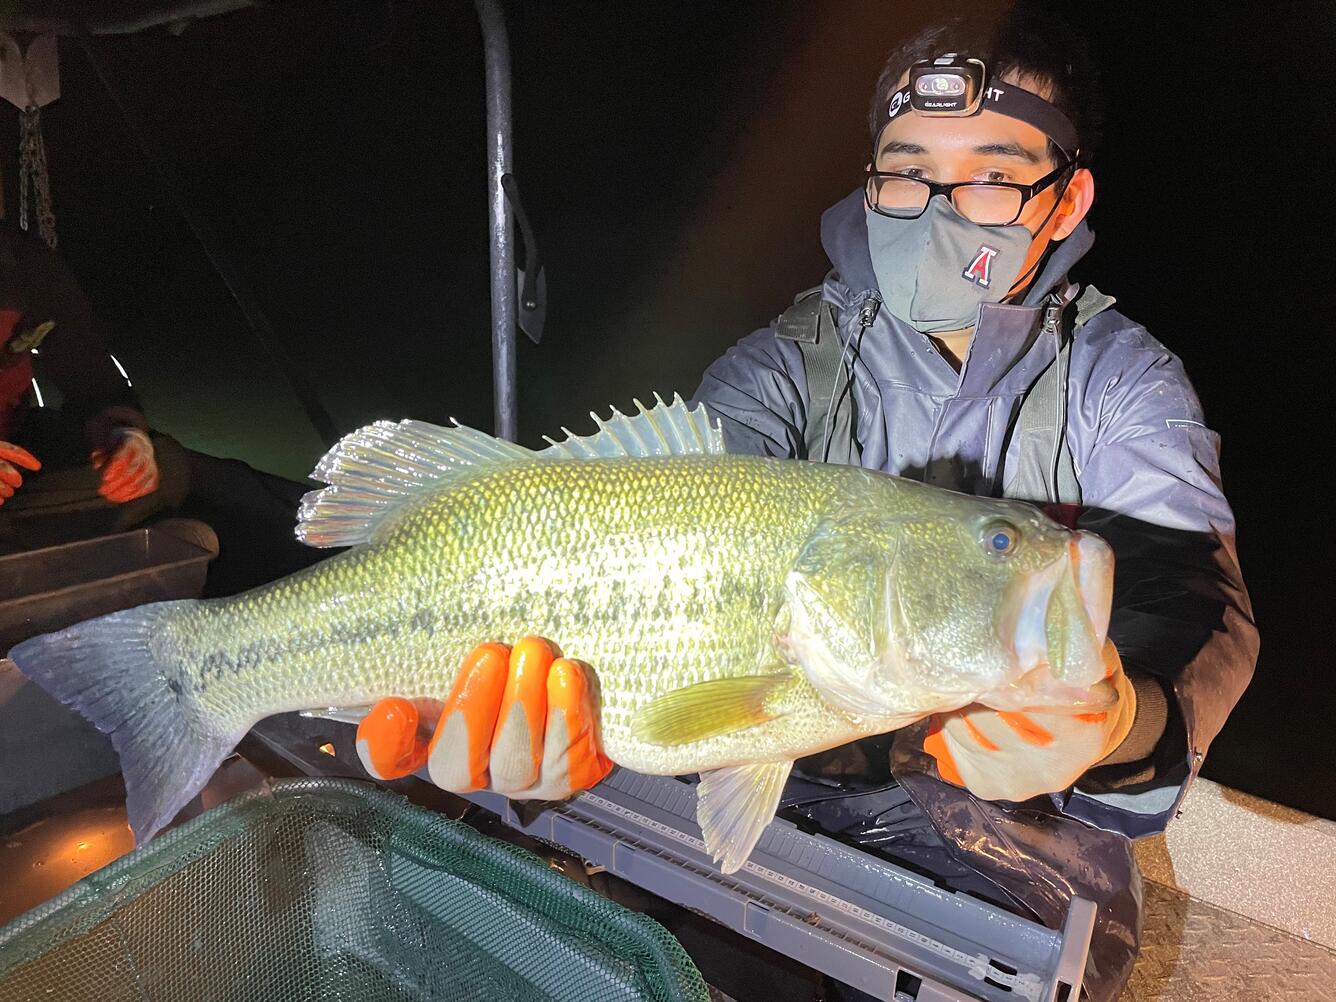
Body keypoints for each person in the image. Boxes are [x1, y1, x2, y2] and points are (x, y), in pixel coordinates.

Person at [354, 11, 1257, 998]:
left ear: (1062, 198)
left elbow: (1191, 601)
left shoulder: (1123, 384)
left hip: (988, 820)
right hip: (768, 766)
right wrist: (573, 718)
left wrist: (1122, 721)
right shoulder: (789, 359)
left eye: (993, 177)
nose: (938, 215)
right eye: (907, 172)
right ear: (871, 184)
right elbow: (676, 506)